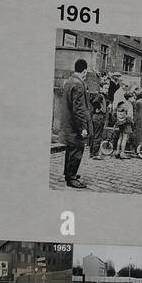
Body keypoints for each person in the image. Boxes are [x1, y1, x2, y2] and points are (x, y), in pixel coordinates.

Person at [60, 59, 91, 188]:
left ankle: (68, 173)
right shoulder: (78, 84)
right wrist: (83, 128)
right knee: (77, 150)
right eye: (86, 73)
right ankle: (71, 178)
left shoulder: (69, 81)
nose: (86, 75)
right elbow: (79, 109)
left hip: (68, 123)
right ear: (84, 71)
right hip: (75, 125)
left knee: (70, 149)